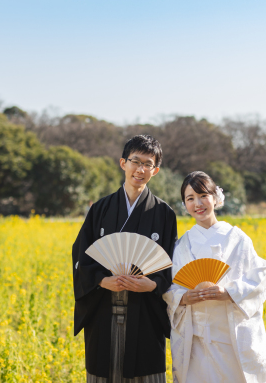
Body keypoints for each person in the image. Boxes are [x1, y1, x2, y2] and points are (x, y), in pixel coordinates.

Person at [72, 135, 178, 383]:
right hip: (102, 309)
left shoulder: (164, 213)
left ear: (155, 170)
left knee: (146, 373)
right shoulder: (100, 209)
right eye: (135, 161)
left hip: (146, 313)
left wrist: (153, 284)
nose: (140, 169)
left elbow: (171, 263)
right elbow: (80, 256)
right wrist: (101, 280)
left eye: (148, 164)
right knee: (102, 373)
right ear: (123, 163)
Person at [163, 171, 266, 383]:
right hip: (195, 339)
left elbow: (258, 279)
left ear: (215, 197)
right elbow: (171, 287)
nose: (198, 204)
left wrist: (230, 292)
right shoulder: (182, 245)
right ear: (184, 204)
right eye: (190, 198)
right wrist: (183, 298)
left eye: (203, 195)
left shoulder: (237, 239)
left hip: (230, 336)